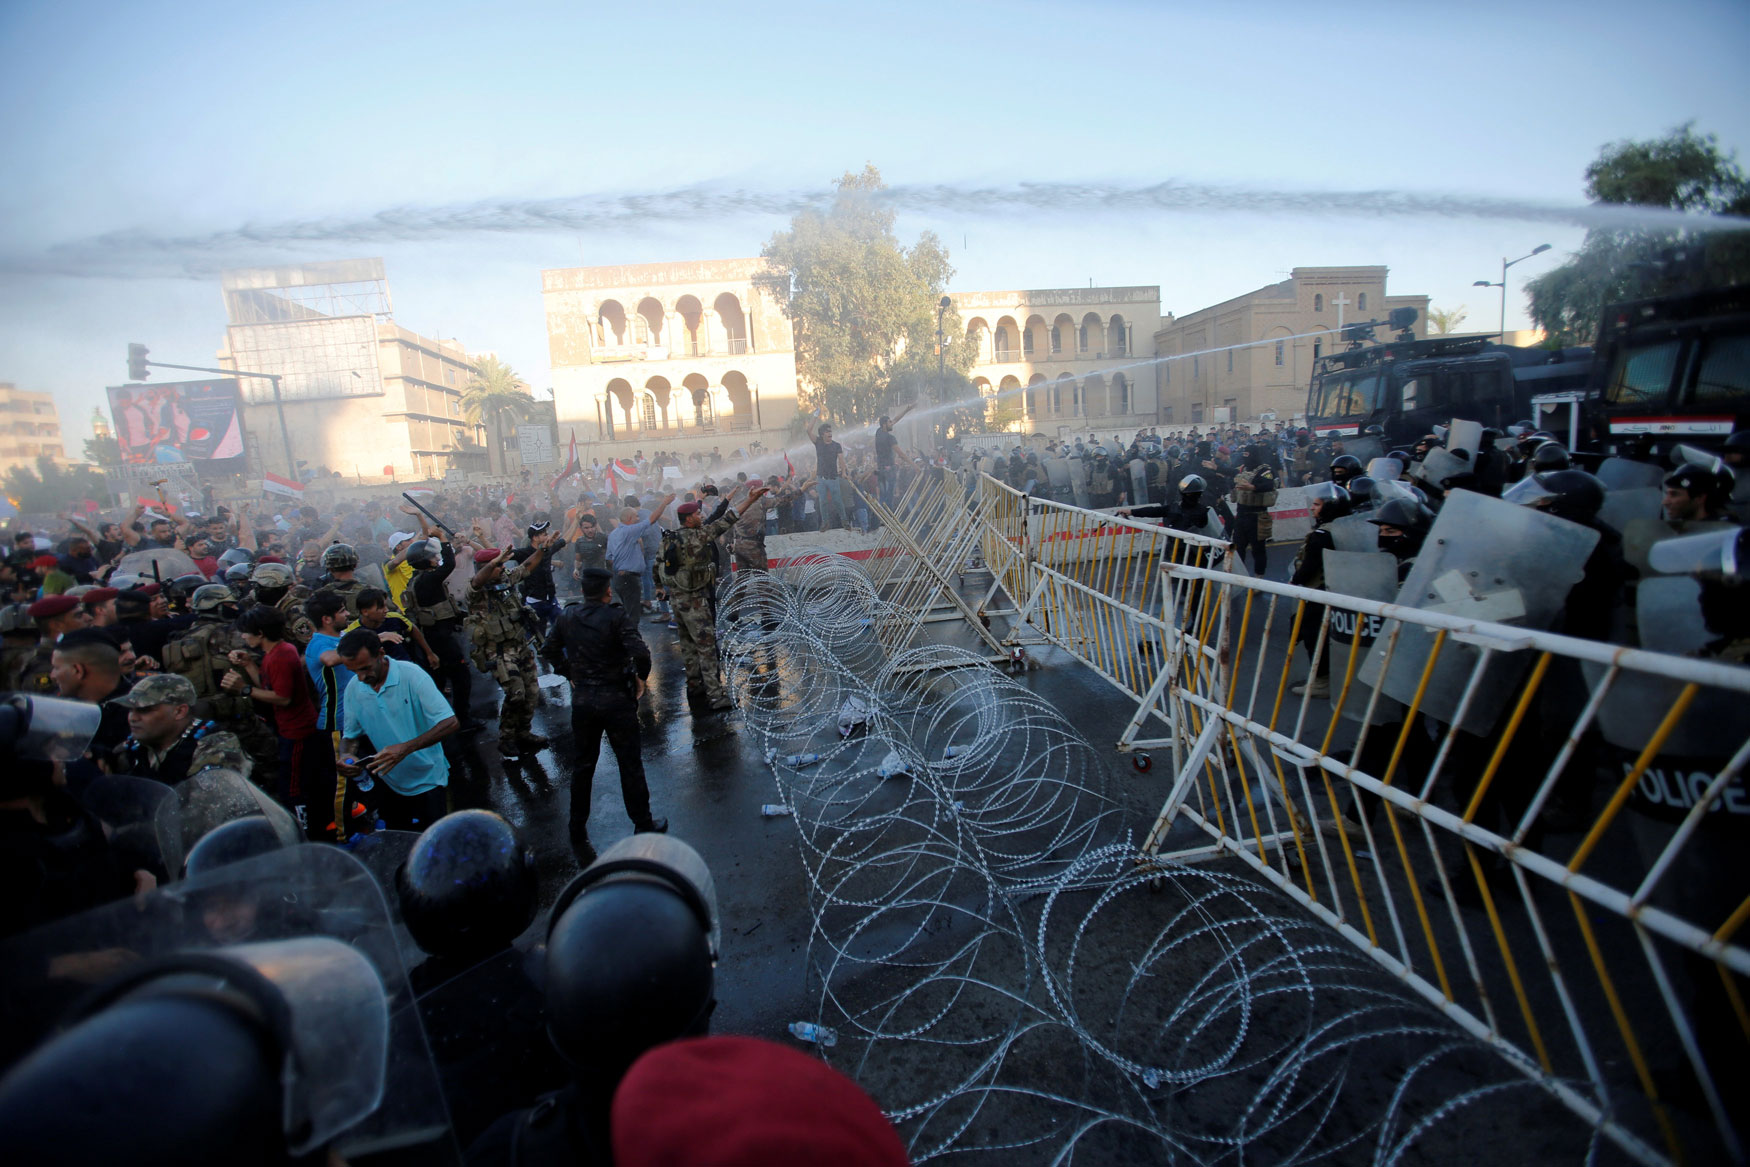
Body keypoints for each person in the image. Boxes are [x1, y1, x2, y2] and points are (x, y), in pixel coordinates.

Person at [543, 568, 666, 864]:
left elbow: (549, 649)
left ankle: (576, 827)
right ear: (607, 590)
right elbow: (641, 653)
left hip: (584, 699)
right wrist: (641, 679)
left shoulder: (568, 616)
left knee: (583, 765)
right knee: (629, 763)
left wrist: (569, 672)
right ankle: (643, 823)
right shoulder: (615, 616)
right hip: (616, 700)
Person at [223, 603, 334, 840]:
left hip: (297, 733)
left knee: (293, 790)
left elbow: (282, 698)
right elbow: (269, 687)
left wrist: (243, 689)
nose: (243, 637)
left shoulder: (281, 657)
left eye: (246, 632)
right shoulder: (279, 651)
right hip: (295, 728)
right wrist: (250, 666)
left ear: (260, 633)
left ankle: (303, 834)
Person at [337, 627, 458, 831]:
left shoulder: (411, 675)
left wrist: (405, 748)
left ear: (381, 655)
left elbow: (450, 722)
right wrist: (345, 755)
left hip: (429, 781)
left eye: (365, 668)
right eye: (353, 671)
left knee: (436, 842)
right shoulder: (353, 689)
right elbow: (350, 735)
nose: (359, 677)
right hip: (389, 783)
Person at [658, 487, 767, 711]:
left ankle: (695, 685)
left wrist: (661, 588)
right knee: (707, 649)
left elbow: (657, 566)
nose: (701, 516)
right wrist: (750, 499)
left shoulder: (670, 538)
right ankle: (716, 696)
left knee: (688, 647)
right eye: (697, 515)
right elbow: (728, 519)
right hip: (696, 600)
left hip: (678, 602)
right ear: (689, 519)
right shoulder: (698, 536)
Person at [465, 542, 553, 760]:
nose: (503, 569)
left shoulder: (505, 580)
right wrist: (494, 562)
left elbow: (526, 566)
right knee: (516, 693)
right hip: (498, 652)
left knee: (532, 692)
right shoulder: (476, 591)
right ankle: (506, 739)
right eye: (498, 566)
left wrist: (542, 549)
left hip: (520, 645)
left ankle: (524, 732)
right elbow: (477, 581)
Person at [401, 535, 480, 733]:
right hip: (441, 639)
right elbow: (449, 564)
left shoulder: (418, 580)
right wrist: (444, 540)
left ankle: (439, 720)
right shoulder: (428, 579)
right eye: (433, 556)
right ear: (425, 560)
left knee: (438, 680)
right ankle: (462, 719)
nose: (437, 560)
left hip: (433, 637)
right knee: (461, 678)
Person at [110, 672, 244, 786]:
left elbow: (210, 804)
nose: (133, 718)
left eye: (144, 710)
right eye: (131, 710)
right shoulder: (132, 748)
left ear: (179, 711)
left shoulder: (215, 744)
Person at [48, 630, 133, 757]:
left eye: (57, 668)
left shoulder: (136, 713)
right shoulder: (60, 707)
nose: (52, 675)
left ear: (78, 670)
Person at [606, 493, 675, 618]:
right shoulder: (630, 530)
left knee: (651, 584)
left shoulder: (614, 533)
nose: (638, 518)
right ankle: (666, 611)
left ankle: (661, 609)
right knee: (657, 584)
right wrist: (664, 503)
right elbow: (652, 520)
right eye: (636, 517)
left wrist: (616, 572)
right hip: (634, 571)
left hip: (623, 576)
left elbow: (609, 558)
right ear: (629, 518)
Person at [345, 587, 433, 666]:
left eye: (386, 606)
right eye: (381, 607)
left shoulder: (394, 618)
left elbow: (412, 628)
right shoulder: (352, 632)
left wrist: (430, 653)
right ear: (365, 612)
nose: (386, 610)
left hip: (405, 666)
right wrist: (377, 638)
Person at [1229, 443, 1278, 576]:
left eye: (1247, 455)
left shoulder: (1265, 470)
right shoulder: (1243, 469)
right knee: (1238, 549)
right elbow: (1231, 474)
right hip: (1241, 515)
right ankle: (1238, 577)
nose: (1245, 458)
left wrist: (1253, 487)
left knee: (1258, 550)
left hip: (1257, 516)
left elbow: (1268, 484)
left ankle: (1258, 577)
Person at [804, 416, 847, 531]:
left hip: (833, 477)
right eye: (827, 431)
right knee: (822, 501)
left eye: (830, 431)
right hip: (821, 478)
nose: (830, 433)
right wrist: (814, 417)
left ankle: (844, 520)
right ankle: (825, 523)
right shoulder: (818, 442)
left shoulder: (836, 445)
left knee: (837, 500)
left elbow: (841, 460)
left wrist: (843, 472)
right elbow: (808, 431)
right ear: (822, 434)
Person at [874, 405, 916, 508]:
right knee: (889, 496)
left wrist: (906, 410)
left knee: (883, 495)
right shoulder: (890, 438)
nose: (892, 424)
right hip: (889, 470)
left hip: (880, 469)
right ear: (884, 424)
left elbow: (896, 419)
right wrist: (914, 465)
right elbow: (901, 454)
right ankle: (888, 518)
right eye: (889, 422)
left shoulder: (878, 432)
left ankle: (882, 519)